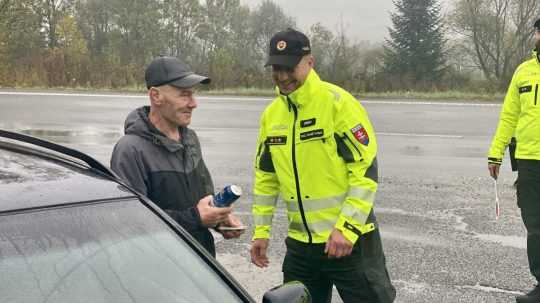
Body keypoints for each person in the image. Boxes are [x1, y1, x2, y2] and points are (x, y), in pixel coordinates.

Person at [249, 28, 396, 303]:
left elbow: (364, 171)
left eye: (289, 68)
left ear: (310, 63)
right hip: (302, 249)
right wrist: (261, 231)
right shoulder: (271, 116)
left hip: (350, 243)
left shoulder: (338, 104)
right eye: (276, 68)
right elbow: (267, 178)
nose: (282, 76)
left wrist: (348, 228)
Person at [111, 55, 243, 257]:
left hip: (201, 262)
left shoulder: (190, 139)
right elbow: (131, 222)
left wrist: (218, 219)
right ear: (156, 96)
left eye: (193, 94)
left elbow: (202, 201)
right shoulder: (130, 151)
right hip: (163, 268)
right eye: (184, 94)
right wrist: (196, 218)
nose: (193, 103)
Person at [488, 19, 540, 303]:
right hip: (529, 161)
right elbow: (509, 116)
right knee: (535, 223)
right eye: (539, 31)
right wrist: (495, 152)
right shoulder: (524, 72)